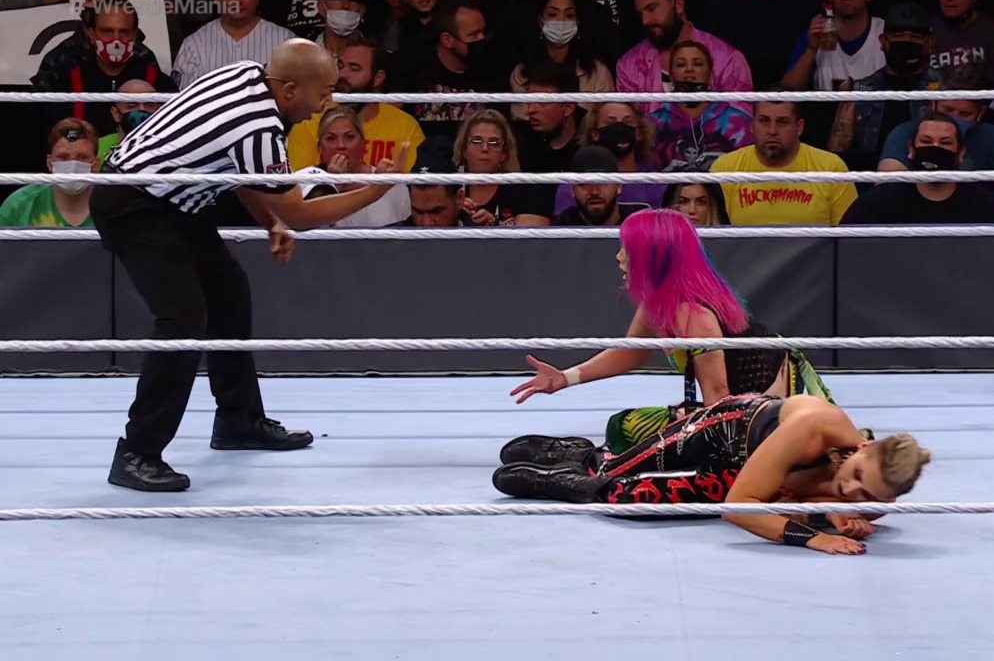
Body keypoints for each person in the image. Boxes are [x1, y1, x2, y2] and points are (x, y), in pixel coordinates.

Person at [91, 38, 396, 493]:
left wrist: (271, 216)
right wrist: (373, 190)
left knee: (229, 294)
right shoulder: (258, 122)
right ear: (290, 89)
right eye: (322, 92)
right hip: (136, 205)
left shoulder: (248, 74)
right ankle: (137, 451)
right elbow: (296, 212)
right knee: (182, 318)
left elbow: (245, 174)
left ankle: (238, 419)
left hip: (173, 203)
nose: (326, 104)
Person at [502, 208, 838, 462]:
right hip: (736, 403)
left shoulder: (693, 316)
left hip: (764, 412)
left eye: (627, 248)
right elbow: (630, 353)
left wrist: (692, 440)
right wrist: (565, 378)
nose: (619, 256)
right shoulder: (661, 299)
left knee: (642, 438)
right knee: (624, 428)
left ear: (652, 257)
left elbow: (719, 399)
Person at [493, 394, 932, 555]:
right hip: (723, 433)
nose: (853, 490)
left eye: (867, 493)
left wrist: (835, 513)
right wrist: (815, 534)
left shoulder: (878, 496)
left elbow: (782, 498)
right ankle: (577, 454)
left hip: (746, 474)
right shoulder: (811, 428)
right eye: (855, 474)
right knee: (612, 469)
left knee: (626, 499)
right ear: (865, 446)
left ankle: (566, 481)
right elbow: (739, 509)